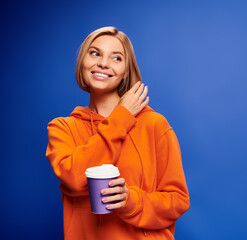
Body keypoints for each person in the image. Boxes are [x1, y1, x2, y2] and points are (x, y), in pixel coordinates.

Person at [46, 26, 190, 240]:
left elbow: (177, 201)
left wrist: (129, 200)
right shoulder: (62, 128)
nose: (103, 63)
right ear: (82, 63)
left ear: (125, 72)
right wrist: (121, 118)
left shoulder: (154, 124)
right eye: (95, 53)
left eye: (116, 58)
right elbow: (75, 178)